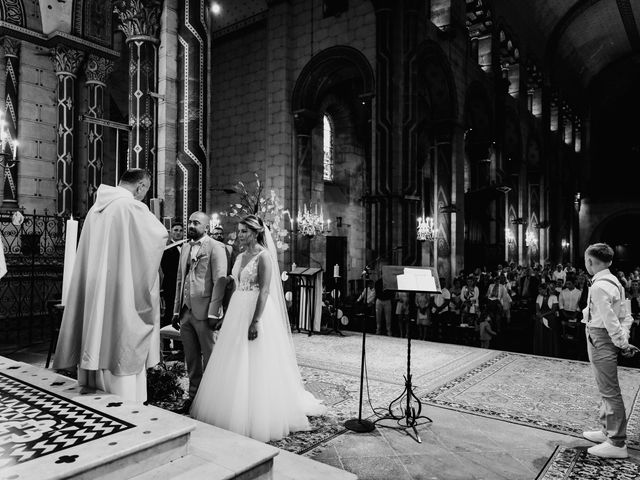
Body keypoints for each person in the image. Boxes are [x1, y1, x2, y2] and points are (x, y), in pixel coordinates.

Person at [190, 215, 325, 442]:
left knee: (257, 359)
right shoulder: (240, 255)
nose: (239, 235)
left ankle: (258, 413)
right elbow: (233, 285)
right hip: (238, 308)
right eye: (239, 231)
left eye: (243, 231)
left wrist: (255, 321)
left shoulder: (264, 257)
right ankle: (232, 406)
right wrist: (226, 312)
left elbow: (264, 291)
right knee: (233, 358)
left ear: (254, 232)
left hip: (256, 310)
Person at [52, 169, 168, 403]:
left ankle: (92, 384)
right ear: (141, 187)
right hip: (119, 287)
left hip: (97, 286)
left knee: (97, 331)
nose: (144, 196)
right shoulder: (131, 207)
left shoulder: (96, 208)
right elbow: (158, 237)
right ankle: (123, 397)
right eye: (145, 191)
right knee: (120, 332)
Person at [581, 243, 639, 459]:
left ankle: (616, 442)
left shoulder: (598, 286)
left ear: (589, 261)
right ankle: (607, 430)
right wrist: (623, 339)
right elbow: (626, 316)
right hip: (606, 336)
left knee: (609, 390)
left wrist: (622, 344)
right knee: (605, 387)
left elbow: (610, 320)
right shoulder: (616, 281)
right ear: (610, 261)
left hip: (600, 337)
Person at [172, 211, 228, 412]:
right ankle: (193, 397)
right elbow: (180, 280)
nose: (191, 225)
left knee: (211, 357)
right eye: (190, 222)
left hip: (205, 312)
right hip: (186, 311)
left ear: (206, 227)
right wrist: (177, 311)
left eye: (196, 223)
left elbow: (220, 282)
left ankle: (215, 400)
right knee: (192, 358)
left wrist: (215, 313)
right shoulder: (186, 247)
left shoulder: (216, 247)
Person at [160, 223, 184, 328]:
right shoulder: (165, 248)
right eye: (176, 230)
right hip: (170, 285)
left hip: (183, 286)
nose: (178, 233)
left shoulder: (187, 246)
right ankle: (166, 342)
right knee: (169, 313)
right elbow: (164, 269)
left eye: (180, 230)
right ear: (171, 232)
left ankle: (180, 342)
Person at [533, 283, 559, 357]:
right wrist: (539, 315)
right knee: (540, 335)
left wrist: (543, 315)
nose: (539, 291)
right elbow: (537, 308)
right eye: (539, 289)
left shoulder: (554, 297)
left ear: (545, 289)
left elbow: (553, 310)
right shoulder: (539, 296)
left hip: (550, 318)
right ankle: (540, 351)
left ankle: (550, 352)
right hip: (540, 318)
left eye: (540, 289)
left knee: (549, 336)